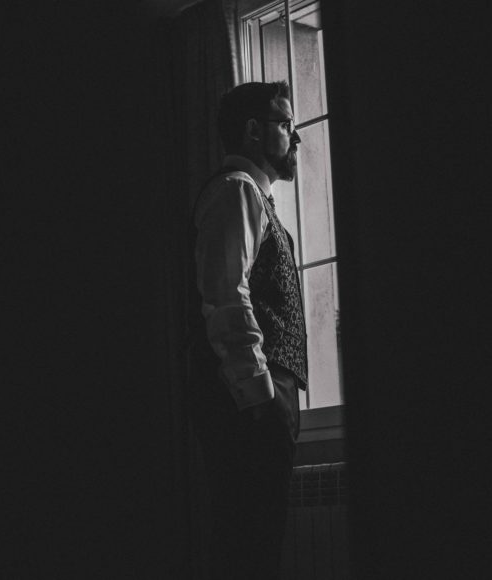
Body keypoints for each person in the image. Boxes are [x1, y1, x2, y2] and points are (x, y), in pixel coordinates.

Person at [186, 80, 307, 580]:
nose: (296, 136)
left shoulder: (255, 197)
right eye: (286, 123)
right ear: (254, 131)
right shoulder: (236, 190)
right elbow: (225, 296)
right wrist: (260, 397)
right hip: (251, 401)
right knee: (248, 546)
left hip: (264, 398)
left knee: (259, 544)